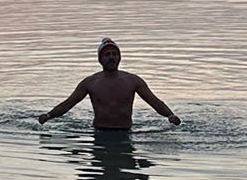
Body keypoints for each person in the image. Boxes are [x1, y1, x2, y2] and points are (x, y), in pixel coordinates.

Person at [38, 37, 181, 131]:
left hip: (125, 131)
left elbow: (154, 101)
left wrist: (170, 115)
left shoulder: (133, 80)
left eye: (114, 54)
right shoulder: (90, 82)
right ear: (100, 59)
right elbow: (67, 104)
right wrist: (49, 115)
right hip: (99, 132)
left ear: (119, 58)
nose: (111, 57)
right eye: (107, 55)